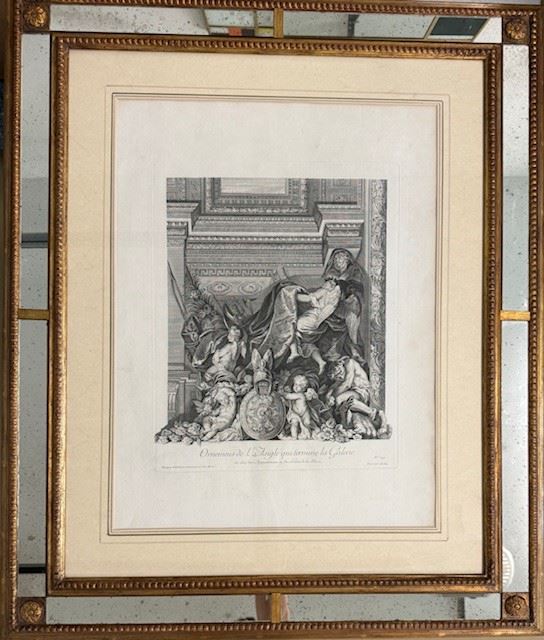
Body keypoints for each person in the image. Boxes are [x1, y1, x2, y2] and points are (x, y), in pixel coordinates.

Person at [281, 375, 317, 440]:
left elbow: (288, 396)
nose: (296, 387)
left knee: (306, 424)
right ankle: (294, 437)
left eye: (299, 385)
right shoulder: (295, 395)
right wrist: (284, 402)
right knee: (294, 423)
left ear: (303, 388)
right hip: (295, 413)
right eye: (295, 384)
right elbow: (290, 404)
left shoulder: (300, 395)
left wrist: (281, 392)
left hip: (304, 413)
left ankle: (307, 436)